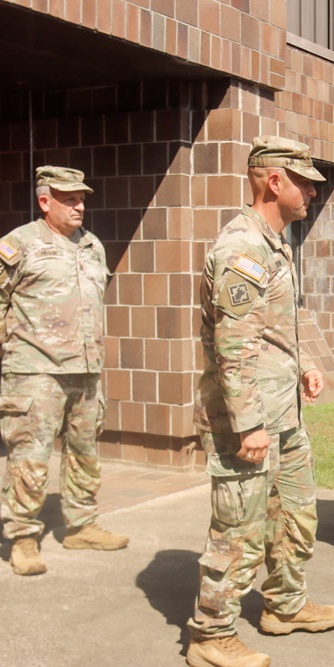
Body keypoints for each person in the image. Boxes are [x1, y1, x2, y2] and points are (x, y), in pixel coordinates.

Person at [186, 136, 334, 667]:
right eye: (304, 182)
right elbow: (232, 347)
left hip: (283, 411)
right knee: (239, 531)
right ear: (273, 181)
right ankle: (211, 636)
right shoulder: (242, 249)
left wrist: (303, 364)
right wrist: (249, 424)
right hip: (248, 421)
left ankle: (284, 605)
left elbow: (268, 329)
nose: (312, 192)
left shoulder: (274, 244)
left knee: (296, 512)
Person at [0, 166, 128, 576]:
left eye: (82, 198)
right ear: (45, 201)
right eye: (69, 198)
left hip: (86, 371)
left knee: (85, 452)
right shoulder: (18, 244)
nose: (79, 206)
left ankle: (82, 525)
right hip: (34, 372)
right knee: (30, 457)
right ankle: (22, 538)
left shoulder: (92, 246)